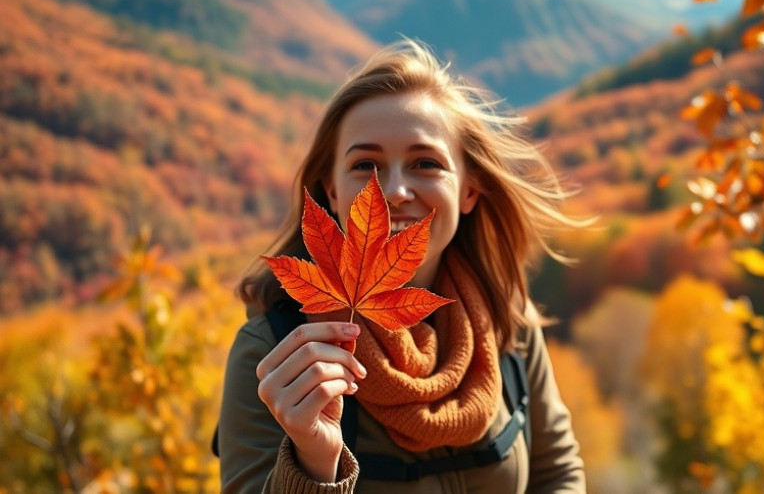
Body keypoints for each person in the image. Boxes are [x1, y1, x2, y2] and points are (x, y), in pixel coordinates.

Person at [217, 39, 587, 493]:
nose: (393, 191)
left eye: (425, 163)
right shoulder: (275, 354)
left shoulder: (507, 321)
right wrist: (314, 462)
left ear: (469, 190)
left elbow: (558, 473)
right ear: (331, 192)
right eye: (366, 163)